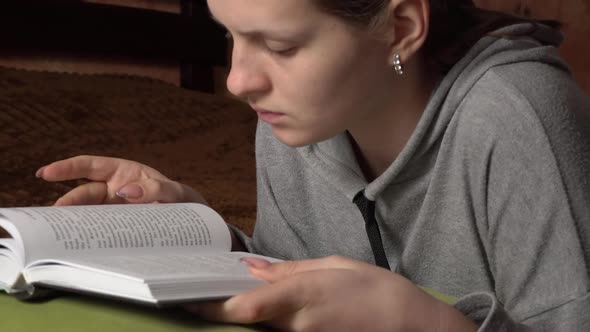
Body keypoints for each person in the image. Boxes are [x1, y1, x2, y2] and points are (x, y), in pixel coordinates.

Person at [34, 0, 590, 330]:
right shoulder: (291, 120)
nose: (236, 80)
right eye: (229, 35)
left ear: (400, 29)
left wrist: (431, 322)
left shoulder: (517, 114)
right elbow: (304, 281)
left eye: (279, 45)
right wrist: (197, 232)